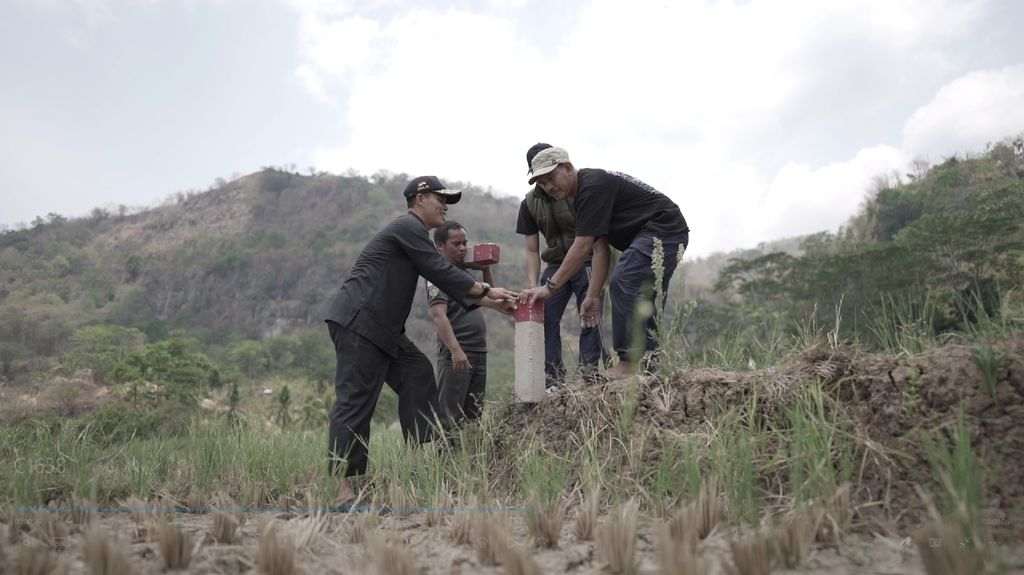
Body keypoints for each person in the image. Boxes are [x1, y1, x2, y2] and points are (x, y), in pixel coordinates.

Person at [323, 175, 518, 503]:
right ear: (420, 198)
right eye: (441, 199)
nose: (445, 206)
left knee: (417, 373)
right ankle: (343, 491)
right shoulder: (407, 227)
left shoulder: (415, 237)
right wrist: (486, 290)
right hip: (359, 323)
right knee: (355, 401)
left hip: (385, 330)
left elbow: (443, 277)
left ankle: (418, 455)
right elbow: (440, 270)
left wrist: (493, 301)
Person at [518, 147, 689, 379]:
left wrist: (549, 287)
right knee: (642, 292)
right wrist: (593, 295)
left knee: (624, 278)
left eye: (551, 178)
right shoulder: (581, 196)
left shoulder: (591, 186)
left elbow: (583, 246)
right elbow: (600, 248)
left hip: (662, 227)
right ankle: (649, 364)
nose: (549, 186)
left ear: (567, 167)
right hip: (654, 233)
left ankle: (629, 363)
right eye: (542, 183)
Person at [516, 143, 605, 387]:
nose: (547, 183)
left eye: (549, 174)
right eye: (539, 177)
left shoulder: (576, 191)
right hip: (556, 264)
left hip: (587, 260)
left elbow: (595, 239)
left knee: (589, 313)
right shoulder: (529, 203)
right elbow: (531, 249)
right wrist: (532, 285)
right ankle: (553, 379)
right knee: (545, 314)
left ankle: (589, 374)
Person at [427, 221, 513, 425]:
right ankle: (446, 448)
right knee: (450, 415)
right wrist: (456, 351)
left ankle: (471, 447)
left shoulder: (463, 275)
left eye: (465, 243)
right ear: (440, 246)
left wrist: (485, 269)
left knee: (473, 414)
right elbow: (438, 316)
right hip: (458, 353)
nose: (463, 248)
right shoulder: (439, 275)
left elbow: (492, 298)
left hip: (478, 350)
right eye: (456, 244)